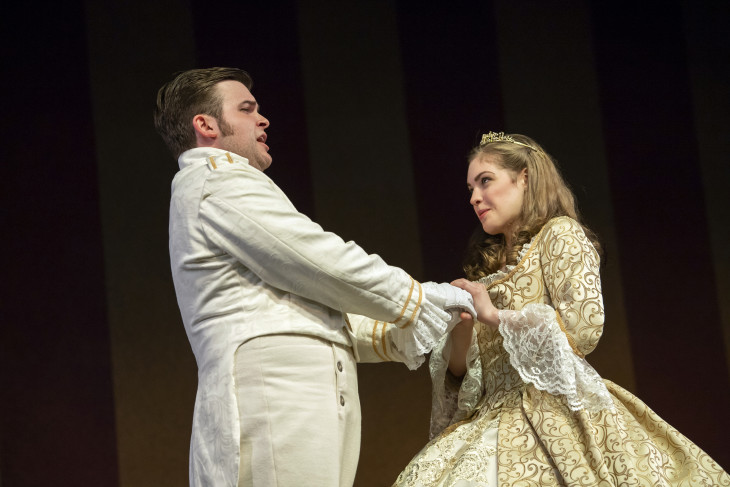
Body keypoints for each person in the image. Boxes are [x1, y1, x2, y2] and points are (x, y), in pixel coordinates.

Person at [153, 67, 475, 487]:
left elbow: (310, 307)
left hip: (295, 394)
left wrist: (415, 323)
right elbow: (316, 259)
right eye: (247, 109)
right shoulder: (216, 179)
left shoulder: (227, 183)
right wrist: (419, 300)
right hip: (276, 393)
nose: (262, 119)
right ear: (206, 125)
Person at [394, 132, 730, 486]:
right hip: (491, 414)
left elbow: (583, 328)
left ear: (524, 177)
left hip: (554, 412)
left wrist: (493, 316)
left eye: (485, 181)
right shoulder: (485, 273)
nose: (476, 197)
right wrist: (462, 326)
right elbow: (465, 376)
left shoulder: (560, 234)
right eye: (470, 189)